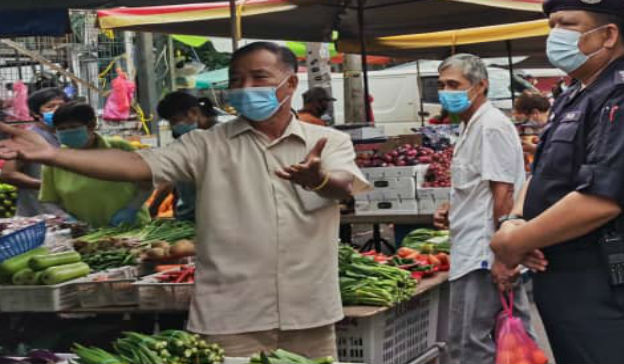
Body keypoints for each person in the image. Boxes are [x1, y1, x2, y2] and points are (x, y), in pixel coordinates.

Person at [0, 42, 369, 358]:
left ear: (290, 83)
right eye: (237, 80)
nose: (245, 88)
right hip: (229, 317)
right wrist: (52, 156)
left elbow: (344, 186)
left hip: (311, 312)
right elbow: (134, 164)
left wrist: (318, 179)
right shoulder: (205, 145)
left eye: (259, 78)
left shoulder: (328, 142)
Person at [489, 0, 624, 363]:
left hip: (618, 281)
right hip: (574, 279)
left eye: (565, 25)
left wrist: (514, 243)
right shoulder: (576, 93)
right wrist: (515, 221)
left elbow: (601, 200)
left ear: (609, 34)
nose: (554, 36)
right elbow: (546, 171)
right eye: (551, 26)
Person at [430, 53, 532, 364]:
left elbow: (503, 193)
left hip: (482, 255)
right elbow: (481, 186)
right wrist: (454, 204)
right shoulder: (472, 125)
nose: (447, 91)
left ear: (481, 86)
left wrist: (503, 256)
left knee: (470, 345)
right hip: (477, 249)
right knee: (512, 338)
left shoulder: (489, 126)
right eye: (442, 85)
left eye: (454, 84)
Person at [39, 101, 151, 228]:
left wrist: (132, 209)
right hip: (85, 235)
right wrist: (67, 219)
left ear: (91, 125)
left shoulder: (119, 147)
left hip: (131, 228)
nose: (67, 132)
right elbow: (48, 201)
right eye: (61, 129)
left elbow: (148, 181)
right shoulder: (55, 160)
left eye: (72, 127)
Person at [154, 91, 221, 221]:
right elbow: (170, 177)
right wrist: (153, 208)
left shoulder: (223, 137)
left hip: (213, 220)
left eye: (174, 121)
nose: (173, 127)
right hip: (188, 218)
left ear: (193, 113)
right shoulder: (187, 140)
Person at [0, 87, 67, 217]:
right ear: (36, 113)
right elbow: (8, 174)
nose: (58, 110)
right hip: (39, 213)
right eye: (50, 106)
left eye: (62, 106)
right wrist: (45, 186)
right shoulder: (27, 138)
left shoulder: (69, 135)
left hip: (67, 210)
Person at [512, 91, 551, 174]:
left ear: (535, 113)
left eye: (527, 119)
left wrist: (534, 149)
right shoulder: (549, 125)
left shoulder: (556, 126)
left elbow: (557, 155)